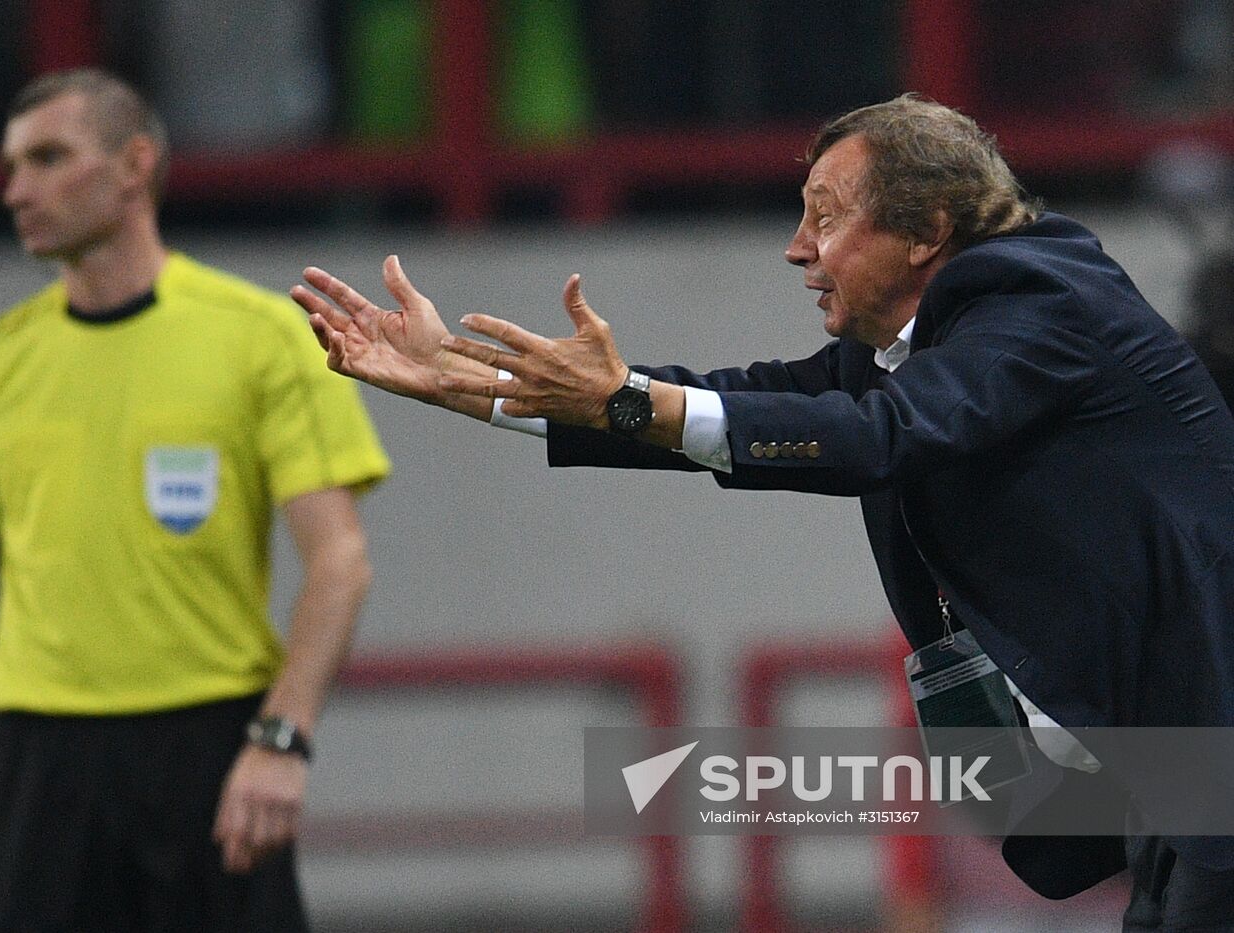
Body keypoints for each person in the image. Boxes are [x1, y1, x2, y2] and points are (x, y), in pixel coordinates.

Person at [294, 95, 1234, 928]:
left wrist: (625, 397)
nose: (796, 247)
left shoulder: (1042, 297)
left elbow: (876, 436)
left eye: (825, 217)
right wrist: (458, 378)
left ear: (926, 230)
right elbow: (709, 402)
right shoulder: (910, 346)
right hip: (1168, 776)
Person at [0, 68, 390, 933]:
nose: (16, 191)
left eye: (48, 158)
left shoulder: (260, 337)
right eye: (10, 167)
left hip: (206, 754)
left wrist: (280, 739)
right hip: (35, 766)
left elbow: (339, 563)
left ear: (133, 166)